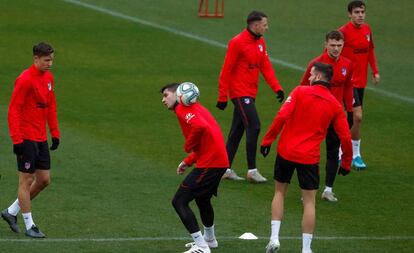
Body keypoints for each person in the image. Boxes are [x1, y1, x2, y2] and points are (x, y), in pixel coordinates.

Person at [260, 62, 353, 253]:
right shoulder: (335, 105)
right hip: (309, 158)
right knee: (309, 202)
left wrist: (267, 141)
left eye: (311, 74)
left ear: (318, 77)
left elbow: (281, 116)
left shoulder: (300, 91)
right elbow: (345, 136)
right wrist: (346, 162)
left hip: (286, 152)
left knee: (279, 193)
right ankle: (306, 249)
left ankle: (274, 238)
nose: (308, 77)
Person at [217, 10, 284, 183]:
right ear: (255, 25)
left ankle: (224, 169)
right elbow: (227, 69)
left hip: (250, 92)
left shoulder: (260, 42)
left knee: (236, 131)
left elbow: (266, 66)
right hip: (239, 93)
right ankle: (252, 171)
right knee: (254, 126)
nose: (267, 28)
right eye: (264, 24)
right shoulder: (237, 42)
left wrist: (276, 88)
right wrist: (222, 96)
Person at [161, 83, 229, 253]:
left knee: (179, 201)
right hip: (217, 160)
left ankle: (201, 246)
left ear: (178, 95)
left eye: (166, 95)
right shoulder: (196, 108)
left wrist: (187, 146)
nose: (163, 100)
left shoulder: (183, 110)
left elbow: (201, 127)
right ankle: (210, 239)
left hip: (211, 163)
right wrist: (189, 160)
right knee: (202, 199)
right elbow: (207, 139)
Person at [1, 42, 60, 238]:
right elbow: (13, 110)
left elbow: (50, 106)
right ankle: (30, 226)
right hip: (26, 138)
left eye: (51, 59)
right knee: (26, 180)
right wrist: (16, 139)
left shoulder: (49, 78)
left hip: (40, 137)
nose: (50, 63)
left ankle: (11, 212)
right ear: (35, 58)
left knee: (43, 180)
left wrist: (55, 133)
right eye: (46, 60)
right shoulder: (25, 80)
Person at [299, 31, 353, 202]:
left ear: (343, 45)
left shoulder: (347, 64)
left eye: (339, 45)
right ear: (326, 44)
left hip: (335, 115)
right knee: (308, 151)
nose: (336, 48)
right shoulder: (315, 64)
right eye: (332, 45)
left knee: (332, 151)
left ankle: (328, 189)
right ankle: (307, 189)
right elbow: (302, 87)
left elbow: (348, 88)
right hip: (315, 114)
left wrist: (350, 111)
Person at [339, 0, 380, 169]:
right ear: (349, 14)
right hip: (347, 82)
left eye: (362, 12)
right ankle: (346, 153)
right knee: (357, 116)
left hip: (361, 82)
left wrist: (374, 71)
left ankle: (353, 154)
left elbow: (370, 51)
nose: (360, 15)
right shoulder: (342, 32)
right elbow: (333, 54)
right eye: (356, 12)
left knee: (353, 119)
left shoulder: (367, 29)